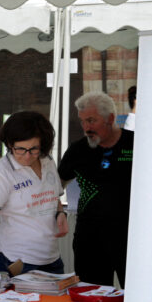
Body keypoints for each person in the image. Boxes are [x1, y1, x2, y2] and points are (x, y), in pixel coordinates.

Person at [0, 111, 67, 277]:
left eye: (33, 149)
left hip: (51, 259)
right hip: (15, 260)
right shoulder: (1, 172)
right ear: (10, 145)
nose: (27, 156)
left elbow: (54, 196)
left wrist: (60, 213)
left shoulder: (48, 161)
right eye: (20, 149)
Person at [59, 91, 134, 286]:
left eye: (91, 121)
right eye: (83, 121)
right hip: (89, 240)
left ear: (110, 118)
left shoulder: (136, 144)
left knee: (138, 297)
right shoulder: (77, 150)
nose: (86, 128)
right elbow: (55, 185)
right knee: (91, 298)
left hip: (131, 239)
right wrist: (59, 212)